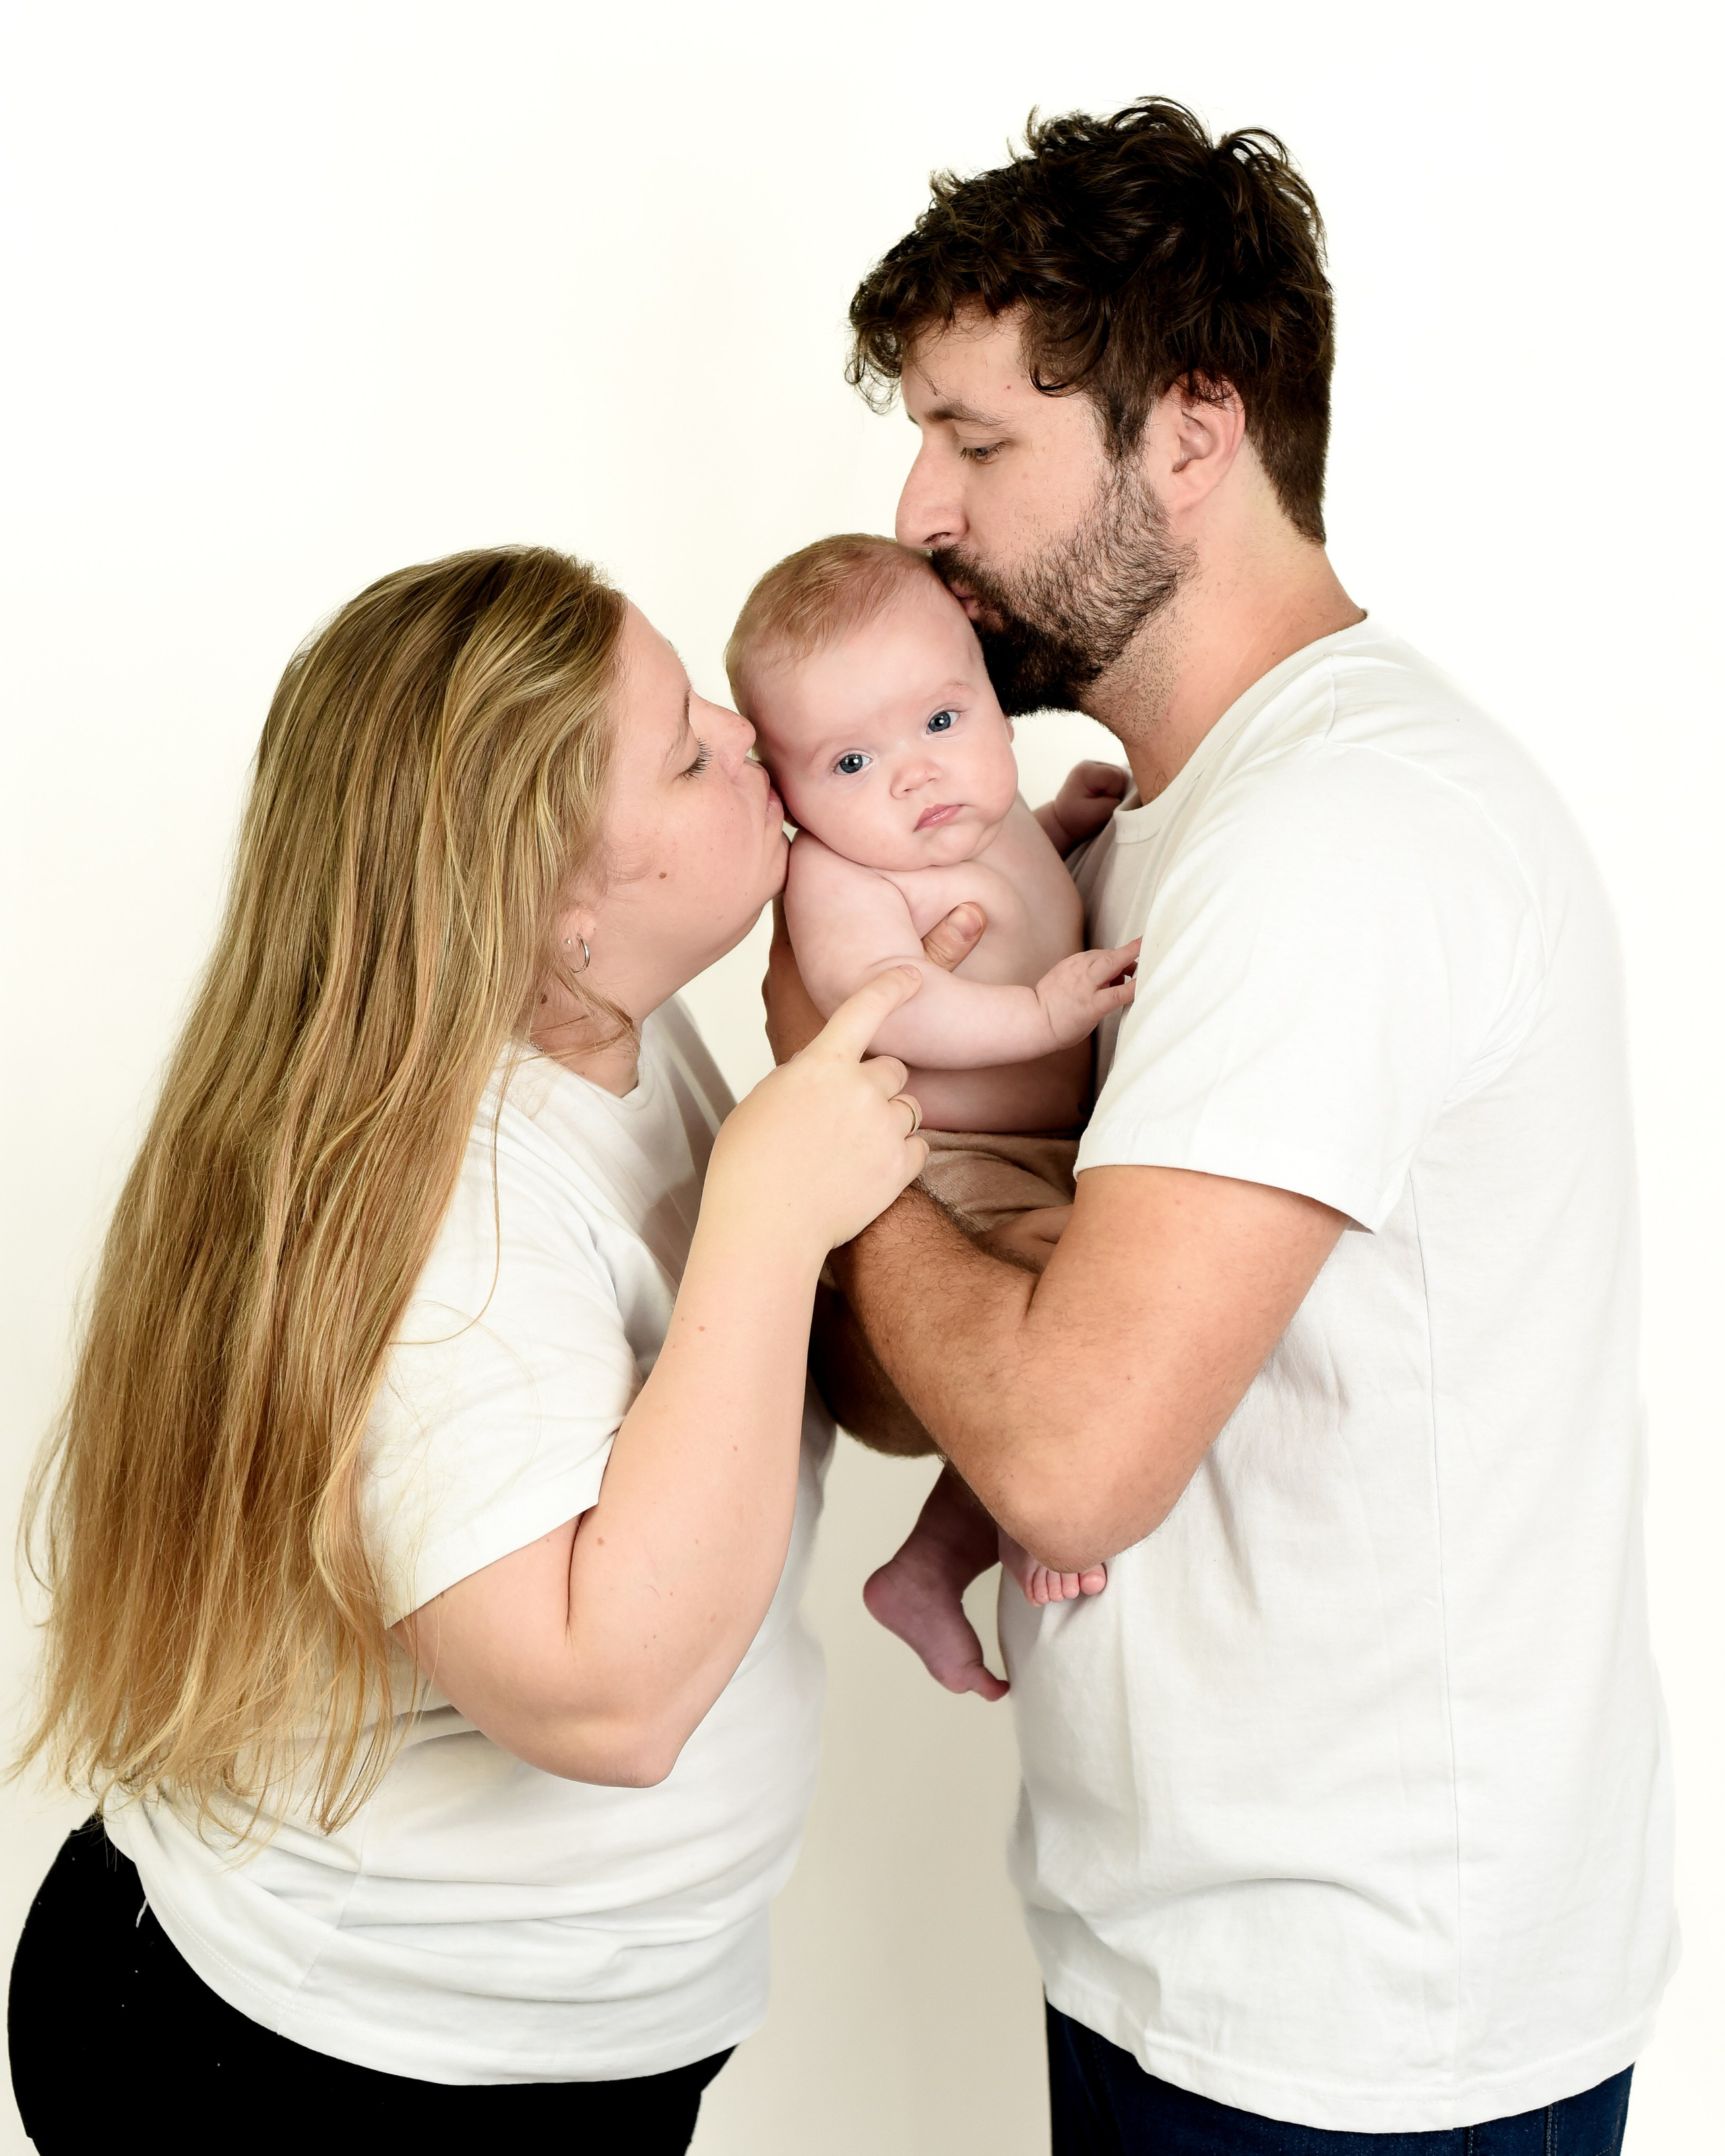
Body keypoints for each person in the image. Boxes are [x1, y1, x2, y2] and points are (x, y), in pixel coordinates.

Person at [777, 97, 1672, 2151]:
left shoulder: (1335, 836)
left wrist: (827, 1090)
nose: (918, 506)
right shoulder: (1136, 837)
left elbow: (1065, 1463)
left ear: (1193, 432)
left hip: (1356, 2029)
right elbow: (936, 1391)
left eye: (979, 441)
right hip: (1183, 1957)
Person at [8, 546, 933, 2151]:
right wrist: (771, 1214)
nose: (746, 731)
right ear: (555, 906)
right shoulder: (444, 1211)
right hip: (313, 2078)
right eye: (688, 750)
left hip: (532, 2058)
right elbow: (600, 1702)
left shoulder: (620, 1036)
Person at [725, 529, 1133, 1625]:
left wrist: (1059, 827)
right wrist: (1040, 1013)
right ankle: (1030, 1512)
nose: (915, 774)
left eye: (942, 722)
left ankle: (932, 1561)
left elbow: (1002, 902)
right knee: (1058, 1290)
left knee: (1062, 1286)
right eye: (850, 764)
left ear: (995, 703)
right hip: (946, 1159)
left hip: (1039, 1148)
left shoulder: (982, 822)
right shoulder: (837, 875)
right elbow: (894, 993)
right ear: (790, 799)